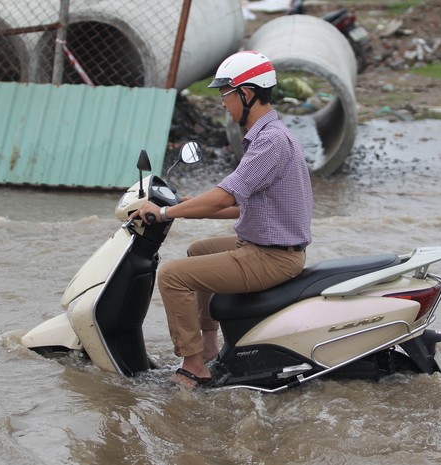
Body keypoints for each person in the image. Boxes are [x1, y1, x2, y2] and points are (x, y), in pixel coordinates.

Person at [132, 50, 313, 388]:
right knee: (199, 250)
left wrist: (166, 212)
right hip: (268, 246)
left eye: (225, 95)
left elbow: (224, 196)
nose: (223, 104)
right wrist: (190, 206)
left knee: (172, 276)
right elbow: (245, 204)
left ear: (246, 93)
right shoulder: (270, 136)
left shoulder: (270, 142)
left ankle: (193, 364)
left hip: (271, 257)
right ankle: (210, 345)